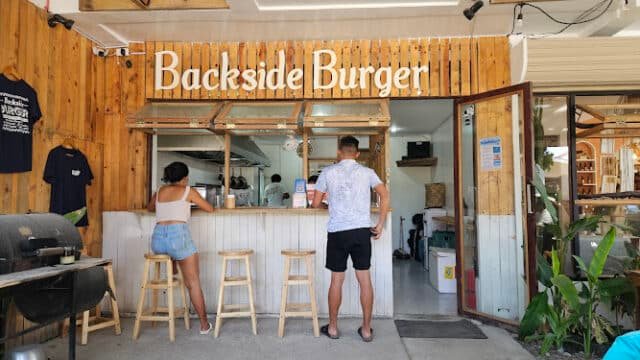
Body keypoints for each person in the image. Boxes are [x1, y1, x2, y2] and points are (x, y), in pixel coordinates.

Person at [312, 135, 389, 342]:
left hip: (338, 232)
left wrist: (330, 206)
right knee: (364, 279)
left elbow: (315, 203)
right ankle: (366, 329)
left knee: (337, 279)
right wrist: (380, 223)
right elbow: (385, 194)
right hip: (361, 232)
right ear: (357, 153)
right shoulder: (367, 172)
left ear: (339, 152)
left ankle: (334, 328)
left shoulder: (328, 172)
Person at [147, 161, 214, 334]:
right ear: (185, 178)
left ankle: (174, 264)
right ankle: (204, 325)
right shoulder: (188, 191)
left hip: (158, 240)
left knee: (174, 254)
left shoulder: (160, 191)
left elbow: (149, 208)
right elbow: (210, 209)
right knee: (193, 283)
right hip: (179, 238)